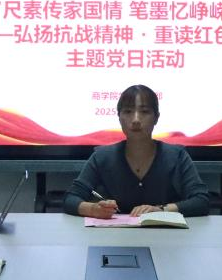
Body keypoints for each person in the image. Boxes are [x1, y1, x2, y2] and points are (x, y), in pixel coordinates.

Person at [63, 84, 210, 218]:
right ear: (119, 117)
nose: (136, 120)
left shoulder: (176, 156)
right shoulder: (102, 156)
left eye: (144, 112)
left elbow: (201, 201)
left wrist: (161, 210)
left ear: (156, 118)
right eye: (128, 111)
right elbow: (70, 198)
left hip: (165, 234)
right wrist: (93, 209)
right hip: (113, 235)